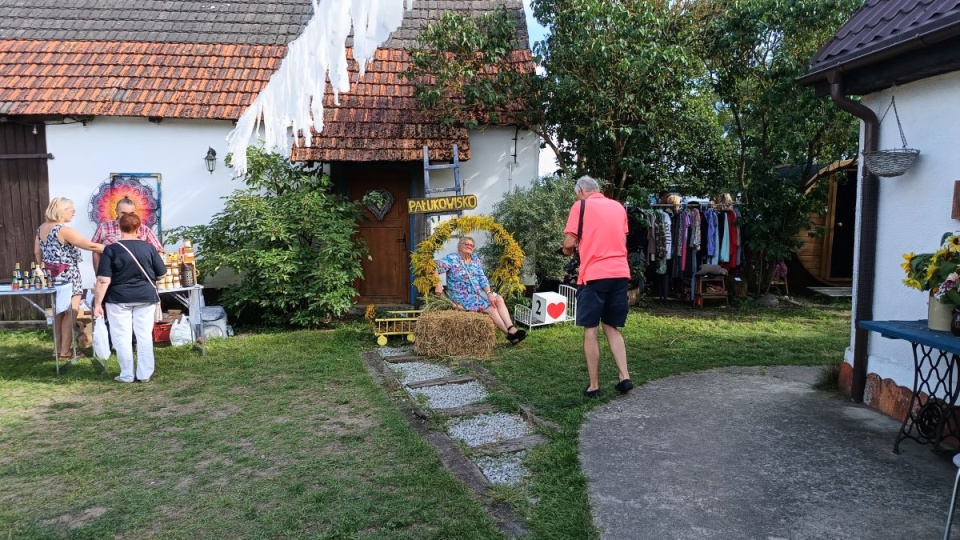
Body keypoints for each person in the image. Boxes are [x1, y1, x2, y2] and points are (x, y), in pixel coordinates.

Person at [562, 175, 632, 398]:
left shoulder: (580, 206)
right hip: (620, 272)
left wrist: (568, 252)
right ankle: (624, 377)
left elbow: (568, 243)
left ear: (581, 191)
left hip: (593, 275)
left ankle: (594, 386)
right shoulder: (618, 207)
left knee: (590, 329)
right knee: (612, 326)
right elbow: (621, 237)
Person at [93, 213, 167, 383]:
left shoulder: (111, 249)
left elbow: (103, 280)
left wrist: (98, 304)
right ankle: (144, 374)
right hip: (145, 297)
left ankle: (126, 374)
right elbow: (162, 274)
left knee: (121, 336)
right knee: (144, 335)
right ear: (139, 228)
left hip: (118, 298)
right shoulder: (149, 248)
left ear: (119, 227)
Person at [34, 197, 104, 362]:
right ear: (61, 211)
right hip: (68, 274)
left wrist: (42, 267)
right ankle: (65, 351)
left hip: (51, 274)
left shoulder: (41, 228)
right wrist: (114, 248)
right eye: (71, 209)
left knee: (59, 312)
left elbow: (37, 251)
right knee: (71, 312)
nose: (73, 212)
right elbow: (89, 245)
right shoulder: (62, 230)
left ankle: (57, 349)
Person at [434, 236, 527, 344]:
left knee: (499, 299)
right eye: (466, 244)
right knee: (492, 308)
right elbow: (436, 269)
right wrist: (438, 284)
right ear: (460, 246)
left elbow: (482, 278)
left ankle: (511, 328)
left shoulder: (475, 259)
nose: (469, 246)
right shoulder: (452, 258)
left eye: (472, 245)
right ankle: (510, 335)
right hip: (463, 295)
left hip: (478, 291)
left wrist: (489, 293)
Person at [91, 197, 164, 274]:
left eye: (131, 213)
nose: (127, 216)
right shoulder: (104, 227)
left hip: (139, 274)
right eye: (123, 213)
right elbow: (95, 250)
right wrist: (98, 273)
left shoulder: (144, 229)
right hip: (112, 274)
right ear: (116, 211)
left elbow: (159, 251)